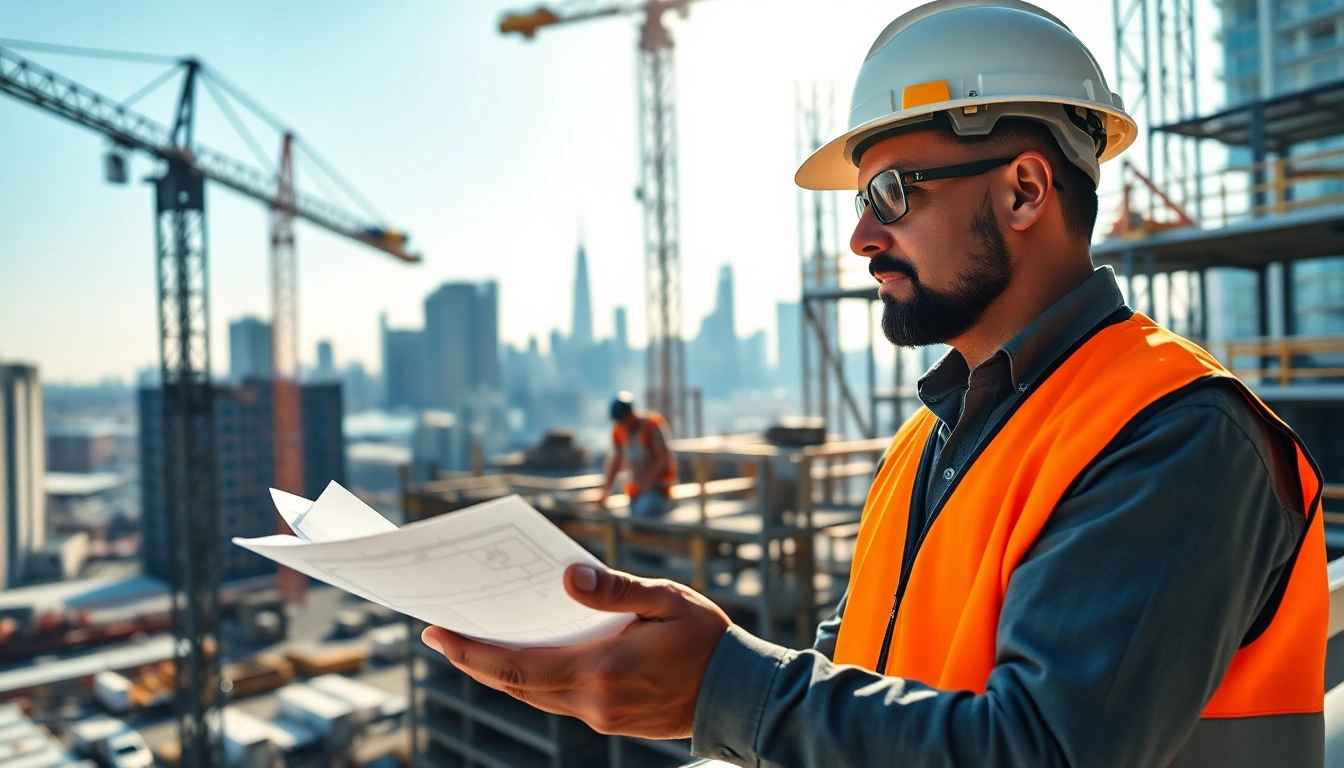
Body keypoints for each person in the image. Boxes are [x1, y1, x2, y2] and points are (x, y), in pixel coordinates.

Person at [420, 3, 1328, 766]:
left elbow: (1041, 749)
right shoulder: (930, 439)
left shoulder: (1178, 435)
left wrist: (725, 689)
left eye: (891, 191)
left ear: (1022, 190)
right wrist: (688, 664)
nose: (859, 237)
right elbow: (863, 661)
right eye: (859, 202)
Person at [597, 392, 676, 518]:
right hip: (636, 492)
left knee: (642, 513)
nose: (622, 424)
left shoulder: (651, 425)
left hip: (658, 490)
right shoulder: (619, 431)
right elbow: (616, 461)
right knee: (631, 518)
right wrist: (606, 490)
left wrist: (646, 483)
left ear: (631, 414)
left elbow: (663, 460)